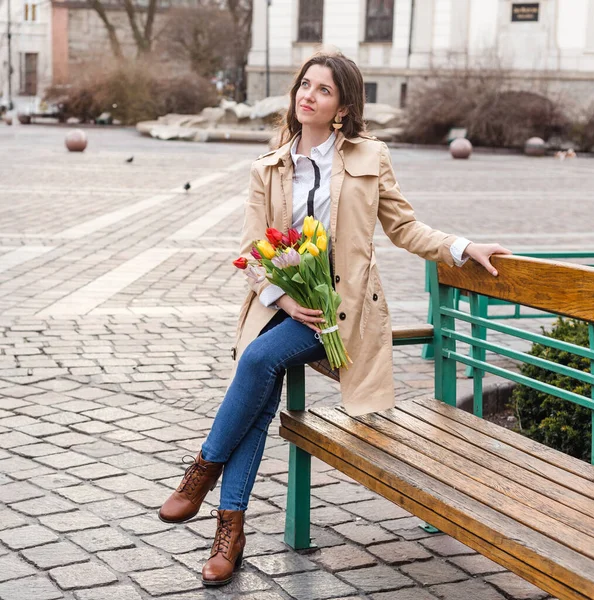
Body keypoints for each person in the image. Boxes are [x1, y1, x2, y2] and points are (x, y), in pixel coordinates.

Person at [158, 51, 511, 587]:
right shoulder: (268, 167)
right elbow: (253, 251)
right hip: (283, 306)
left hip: (339, 316)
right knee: (259, 382)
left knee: (255, 362)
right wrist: (282, 298)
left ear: (342, 106)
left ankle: (203, 471)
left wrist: (462, 247)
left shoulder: (370, 156)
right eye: (305, 84)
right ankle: (228, 529)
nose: (308, 95)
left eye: (323, 90)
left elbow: (405, 228)